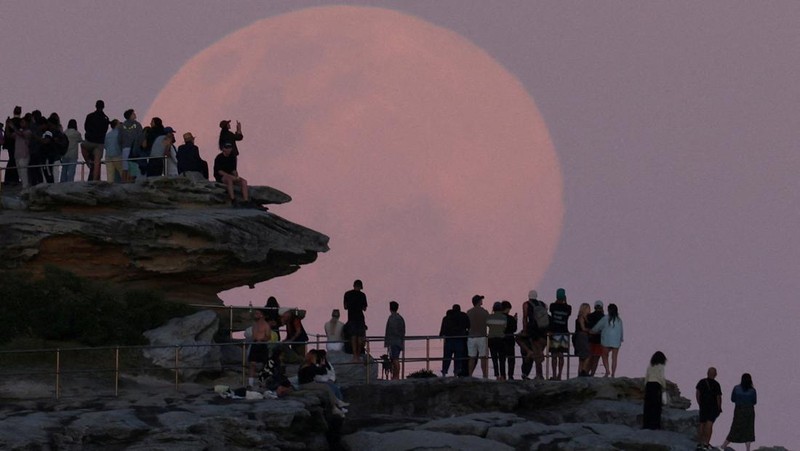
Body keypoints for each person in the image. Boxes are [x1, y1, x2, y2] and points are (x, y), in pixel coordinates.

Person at [297, 350, 346, 417]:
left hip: (309, 383)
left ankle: (336, 405)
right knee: (326, 387)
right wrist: (322, 365)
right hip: (306, 384)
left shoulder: (307, 365)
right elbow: (320, 371)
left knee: (331, 387)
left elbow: (322, 371)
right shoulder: (307, 366)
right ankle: (336, 404)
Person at [720, 373, 757, 451]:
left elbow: (733, 399)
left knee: (735, 427)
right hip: (749, 410)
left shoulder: (736, 388)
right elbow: (754, 401)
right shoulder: (752, 390)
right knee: (749, 429)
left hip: (739, 410)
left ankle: (724, 445)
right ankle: (748, 449)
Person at [214, 142, 252, 207]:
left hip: (231, 176)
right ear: (223, 149)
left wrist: (236, 177)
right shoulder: (219, 157)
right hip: (221, 177)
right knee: (229, 180)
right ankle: (232, 199)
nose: (229, 149)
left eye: (230, 148)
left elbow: (234, 170)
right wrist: (230, 176)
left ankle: (246, 200)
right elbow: (219, 171)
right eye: (227, 148)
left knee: (244, 181)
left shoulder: (232, 157)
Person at [590, 303, 623, 377]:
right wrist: (621, 339)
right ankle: (613, 373)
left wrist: (591, 331)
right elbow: (621, 330)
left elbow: (597, 327)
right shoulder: (619, 320)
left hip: (606, 340)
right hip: (616, 341)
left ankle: (607, 371)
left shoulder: (605, 318)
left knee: (604, 355)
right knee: (614, 358)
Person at [520, 290, 546, 380]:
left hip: (533, 331)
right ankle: (539, 374)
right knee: (538, 352)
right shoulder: (543, 304)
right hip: (543, 331)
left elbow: (524, 318)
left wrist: (524, 330)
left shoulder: (526, 304)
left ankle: (539, 375)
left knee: (518, 338)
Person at [439, 304, 470, 377]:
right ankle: (456, 373)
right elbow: (468, 326)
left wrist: (441, 334)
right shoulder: (463, 316)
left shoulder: (447, 317)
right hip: (459, 339)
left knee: (447, 357)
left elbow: (443, 328)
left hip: (449, 340)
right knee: (458, 358)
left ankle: (444, 372)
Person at [696, 367, 722, 450]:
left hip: (703, 405)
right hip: (713, 406)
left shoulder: (702, 382)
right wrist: (719, 407)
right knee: (709, 424)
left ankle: (700, 443)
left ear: (707, 373)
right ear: (715, 374)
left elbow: (697, 393)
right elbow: (718, 397)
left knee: (702, 423)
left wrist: (699, 403)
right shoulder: (716, 384)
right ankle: (706, 444)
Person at [82, 100, 109, 181]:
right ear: (103, 107)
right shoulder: (106, 118)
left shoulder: (89, 116)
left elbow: (86, 127)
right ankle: (94, 181)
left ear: (95, 106)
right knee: (97, 162)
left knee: (82, 145)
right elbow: (105, 130)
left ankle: (88, 161)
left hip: (90, 141)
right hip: (99, 143)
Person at [245, 309, 273, 388]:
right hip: (254, 344)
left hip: (262, 345)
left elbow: (268, 337)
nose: (255, 314)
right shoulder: (255, 325)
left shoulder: (266, 325)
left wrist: (261, 340)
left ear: (261, 315)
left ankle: (262, 382)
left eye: (257, 313)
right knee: (252, 364)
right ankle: (250, 384)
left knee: (263, 365)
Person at [549, 288, 572, 380]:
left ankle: (554, 375)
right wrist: (565, 301)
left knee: (554, 355)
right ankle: (560, 375)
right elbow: (568, 313)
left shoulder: (552, 306)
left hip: (554, 332)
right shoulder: (568, 307)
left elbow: (551, 310)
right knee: (561, 355)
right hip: (564, 332)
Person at [343, 279, 368, 362]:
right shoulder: (363, 295)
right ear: (361, 287)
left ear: (354, 285)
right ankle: (358, 354)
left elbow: (345, 307)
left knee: (353, 337)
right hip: (360, 318)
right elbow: (364, 308)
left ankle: (355, 356)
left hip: (351, 318)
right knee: (360, 338)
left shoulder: (347, 294)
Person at [643, 351, 667, 430]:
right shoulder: (661, 366)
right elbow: (661, 377)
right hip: (656, 385)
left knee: (648, 405)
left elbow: (646, 376)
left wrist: (645, 386)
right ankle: (655, 425)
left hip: (649, 385)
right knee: (656, 406)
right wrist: (664, 386)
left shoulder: (650, 366)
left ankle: (646, 424)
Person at [466, 294, 489, 378]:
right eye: (481, 300)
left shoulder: (469, 312)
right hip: (482, 336)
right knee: (483, 357)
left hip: (471, 337)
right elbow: (488, 323)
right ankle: (484, 375)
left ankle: (470, 375)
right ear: (479, 302)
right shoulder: (484, 312)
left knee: (471, 357)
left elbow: (467, 324)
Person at [118, 109, 143, 182]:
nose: (135, 114)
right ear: (130, 115)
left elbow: (119, 139)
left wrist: (121, 148)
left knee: (125, 168)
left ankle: (124, 183)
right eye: (133, 113)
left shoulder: (122, 126)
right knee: (134, 168)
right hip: (134, 150)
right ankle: (131, 184)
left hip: (125, 149)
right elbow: (140, 137)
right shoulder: (137, 125)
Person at [486, 301, 508, 381]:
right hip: (501, 339)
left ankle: (497, 375)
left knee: (494, 358)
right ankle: (503, 375)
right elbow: (504, 327)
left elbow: (488, 324)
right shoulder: (504, 317)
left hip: (491, 339)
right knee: (502, 359)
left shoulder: (489, 317)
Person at [383, 301, 406, 380]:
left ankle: (396, 376)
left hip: (393, 341)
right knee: (396, 359)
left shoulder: (392, 318)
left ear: (390, 308)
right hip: (399, 341)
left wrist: (388, 342)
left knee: (395, 359)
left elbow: (390, 331)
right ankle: (396, 375)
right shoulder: (400, 318)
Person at [586, 300, 606, 376]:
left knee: (590, 357)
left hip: (590, 339)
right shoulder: (603, 317)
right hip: (600, 340)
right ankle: (592, 374)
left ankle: (586, 372)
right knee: (596, 358)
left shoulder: (589, 316)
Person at [573, 303, 592, 377]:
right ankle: (583, 371)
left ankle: (580, 372)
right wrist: (590, 330)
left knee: (582, 357)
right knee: (587, 355)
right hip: (581, 337)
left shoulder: (586, 318)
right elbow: (583, 328)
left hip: (582, 337)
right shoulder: (581, 317)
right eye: (588, 308)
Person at [501, 300, 517, 380]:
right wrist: (515, 320)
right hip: (510, 340)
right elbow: (514, 329)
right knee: (511, 359)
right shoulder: (511, 318)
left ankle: (503, 375)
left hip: (501, 340)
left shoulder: (499, 318)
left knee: (502, 359)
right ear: (507, 309)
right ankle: (510, 375)